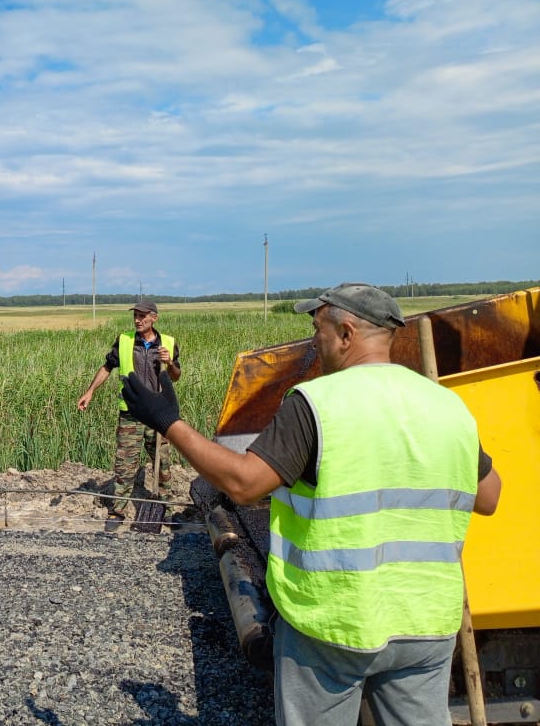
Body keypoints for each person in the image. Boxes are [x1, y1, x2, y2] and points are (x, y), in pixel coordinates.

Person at [122, 282, 501, 726]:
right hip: (428, 624)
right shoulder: (448, 407)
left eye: (316, 327)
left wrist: (169, 422)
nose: (313, 340)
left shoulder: (316, 405)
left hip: (333, 625)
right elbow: (490, 497)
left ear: (346, 333)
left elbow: (244, 484)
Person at [77, 300, 181, 528]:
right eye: (135, 315)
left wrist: (170, 362)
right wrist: (90, 392)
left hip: (158, 415)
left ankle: (167, 510)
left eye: (143, 316)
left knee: (162, 464)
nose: (137, 320)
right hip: (131, 413)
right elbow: (107, 367)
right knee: (125, 465)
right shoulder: (124, 341)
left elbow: (175, 376)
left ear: (154, 317)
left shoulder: (168, 343)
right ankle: (118, 511)